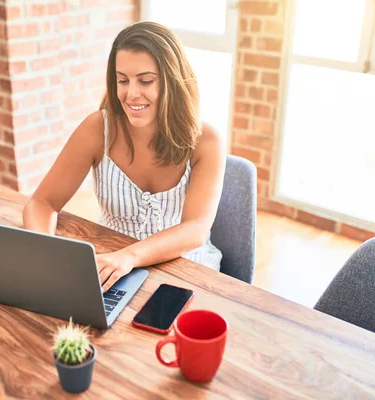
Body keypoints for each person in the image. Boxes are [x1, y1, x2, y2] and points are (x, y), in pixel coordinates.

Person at [23, 22, 225, 292]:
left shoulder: (206, 141)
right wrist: (46, 252)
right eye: (122, 80)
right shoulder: (97, 129)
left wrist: (130, 256)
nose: (131, 94)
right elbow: (42, 202)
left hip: (183, 265)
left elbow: (196, 229)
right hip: (111, 261)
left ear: (172, 81)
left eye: (145, 80)